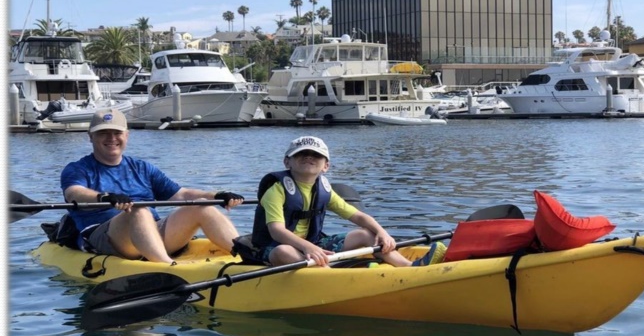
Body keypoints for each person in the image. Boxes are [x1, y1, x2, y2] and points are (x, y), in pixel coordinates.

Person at [61, 108, 245, 264]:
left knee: (201, 205)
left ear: (126, 135)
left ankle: (247, 254)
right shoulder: (78, 169)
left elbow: (181, 194)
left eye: (117, 133)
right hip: (108, 237)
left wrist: (218, 195)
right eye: (103, 133)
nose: (111, 138)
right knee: (139, 210)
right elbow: (74, 193)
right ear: (90, 137)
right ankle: (167, 267)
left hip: (152, 231)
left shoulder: (142, 167)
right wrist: (103, 197)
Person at [251, 135, 446, 267]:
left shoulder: (324, 189)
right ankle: (330, 276)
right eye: (301, 154)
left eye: (316, 155)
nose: (309, 157)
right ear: (287, 162)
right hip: (274, 246)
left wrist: (382, 233)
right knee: (284, 251)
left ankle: (409, 267)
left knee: (366, 235)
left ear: (325, 166)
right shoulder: (276, 190)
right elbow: (276, 230)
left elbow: (358, 216)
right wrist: (308, 248)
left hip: (313, 243)